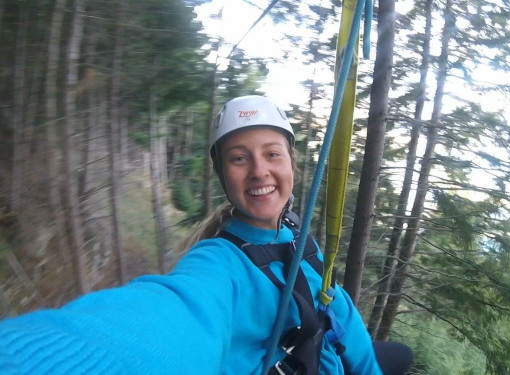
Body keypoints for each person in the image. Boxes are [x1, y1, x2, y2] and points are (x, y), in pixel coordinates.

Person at [0, 95, 412, 374]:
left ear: (292, 164)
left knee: (398, 354)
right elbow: (164, 324)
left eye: (272, 153)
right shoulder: (216, 263)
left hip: (327, 357)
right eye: (239, 158)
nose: (259, 171)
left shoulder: (297, 235)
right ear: (222, 175)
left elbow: (336, 307)